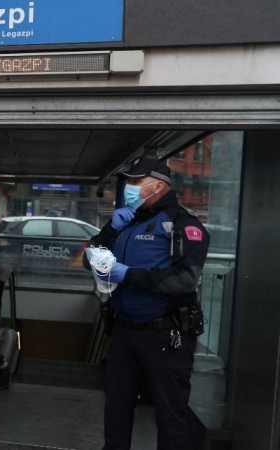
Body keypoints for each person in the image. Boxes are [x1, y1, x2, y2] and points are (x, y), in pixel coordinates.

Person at [83, 157, 209, 450]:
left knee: (170, 415)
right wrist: (109, 231)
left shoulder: (182, 223)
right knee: (116, 408)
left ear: (158, 186)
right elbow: (91, 256)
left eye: (136, 181)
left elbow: (185, 279)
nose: (129, 187)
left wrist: (128, 275)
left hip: (166, 334)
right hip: (125, 331)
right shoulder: (127, 222)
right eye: (129, 181)